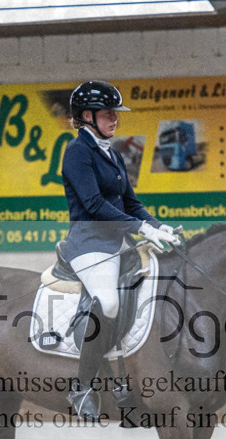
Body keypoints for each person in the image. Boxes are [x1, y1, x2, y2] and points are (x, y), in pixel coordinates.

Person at [60, 80, 181, 420]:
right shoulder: (77, 151)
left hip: (118, 242)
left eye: (116, 114)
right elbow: (94, 204)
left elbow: (131, 202)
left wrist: (158, 226)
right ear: (87, 116)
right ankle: (82, 386)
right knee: (109, 302)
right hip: (89, 243)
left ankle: (126, 380)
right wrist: (140, 228)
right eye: (108, 114)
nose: (115, 119)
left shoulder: (111, 152)